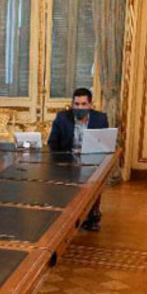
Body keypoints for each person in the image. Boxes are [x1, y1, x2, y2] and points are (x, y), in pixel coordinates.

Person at [47, 88, 110, 231]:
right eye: (77, 104)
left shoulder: (100, 118)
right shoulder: (62, 117)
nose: (80, 107)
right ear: (72, 104)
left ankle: (92, 217)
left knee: (95, 181)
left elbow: (105, 143)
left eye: (83, 104)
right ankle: (65, 217)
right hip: (68, 159)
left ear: (90, 105)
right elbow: (52, 143)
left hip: (90, 159)